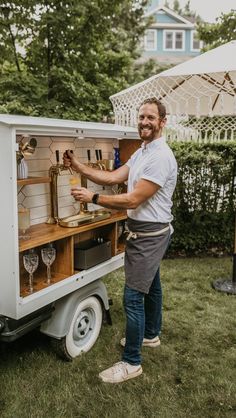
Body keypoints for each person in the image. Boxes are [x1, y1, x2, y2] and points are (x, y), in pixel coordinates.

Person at [63, 97, 177, 384]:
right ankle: (151, 335)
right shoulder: (142, 152)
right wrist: (79, 167)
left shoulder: (161, 156)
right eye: (141, 117)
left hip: (150, 235)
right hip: (147, 231)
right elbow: (114, 176)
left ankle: (132, 362)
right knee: (152, 286)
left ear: (162, 122)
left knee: (132, 297)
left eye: (150, 117)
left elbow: (133, 197)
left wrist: (94, 198)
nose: (144, 122)